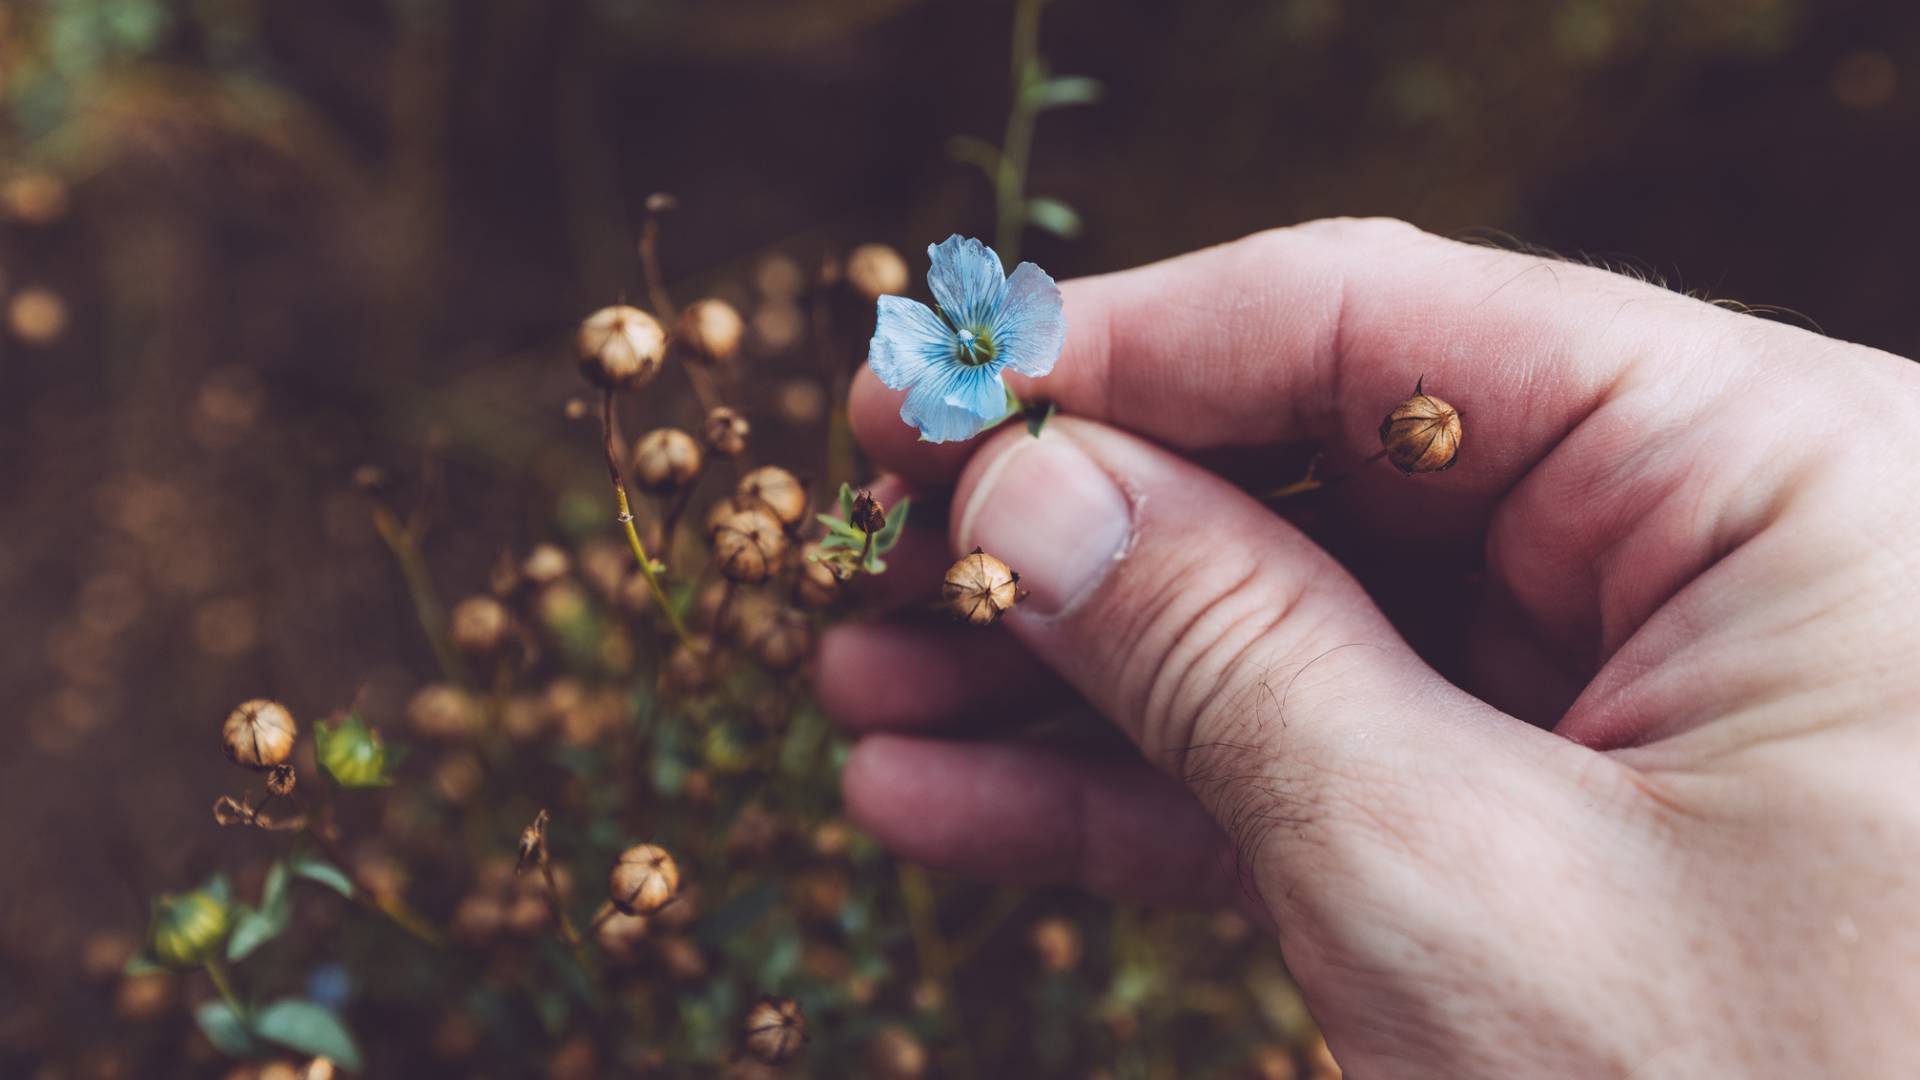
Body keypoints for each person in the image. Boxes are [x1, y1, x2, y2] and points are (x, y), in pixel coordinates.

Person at [815, 219, 1920, 1076]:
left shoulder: (1023, 367)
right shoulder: (976, 382)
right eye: (965, 342)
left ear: (1006, 330)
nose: (973, 345)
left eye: (982, 339)